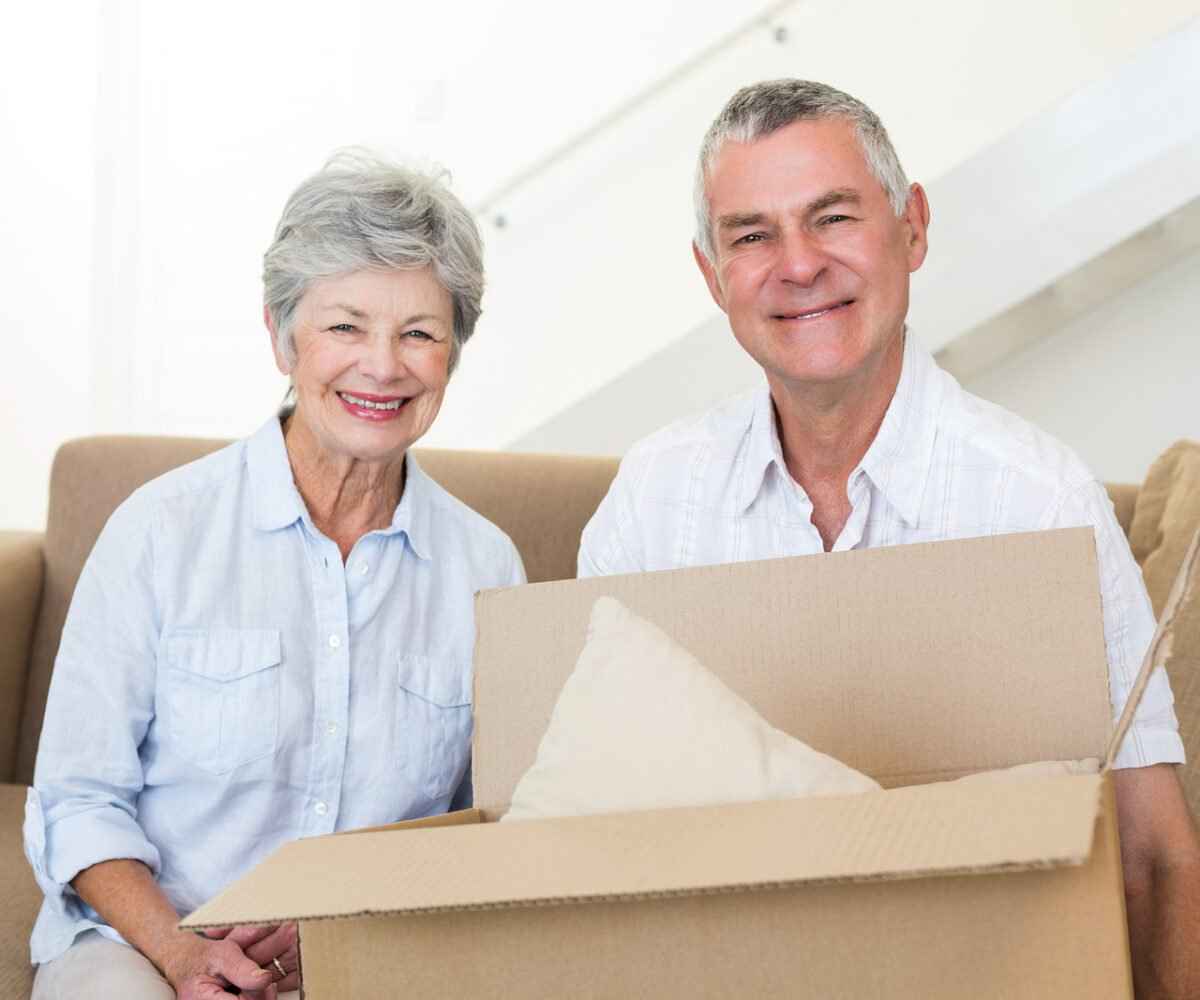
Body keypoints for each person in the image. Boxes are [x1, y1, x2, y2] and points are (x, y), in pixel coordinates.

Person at [578, 79, 1199, 997]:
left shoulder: (1038, 500)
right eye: (752, 235)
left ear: (911, 227)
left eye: (832, 218)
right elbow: (580, 836)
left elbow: (1153, 853)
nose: (797, 265)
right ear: (713, 276)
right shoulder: (653, 502)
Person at [24, 151, 524, 1000]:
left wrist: (356, 927)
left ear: (453, 355)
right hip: (143, 946)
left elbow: (492, 827)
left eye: (420, 333)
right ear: (280, 335)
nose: (382, 365)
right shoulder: (161, 531)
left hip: (377, 955)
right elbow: (78, 799)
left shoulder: (487, 567)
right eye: (345, 326)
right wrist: (185, 955)